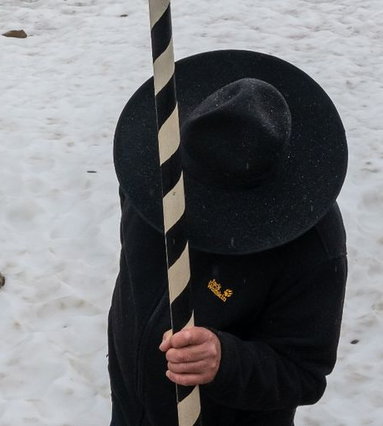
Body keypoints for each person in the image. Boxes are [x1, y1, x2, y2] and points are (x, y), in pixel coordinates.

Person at [108, 48, 348, 426]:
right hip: (130, 403)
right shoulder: (152, 166)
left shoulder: (313, 244)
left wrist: (225, 361)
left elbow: (303, 373)